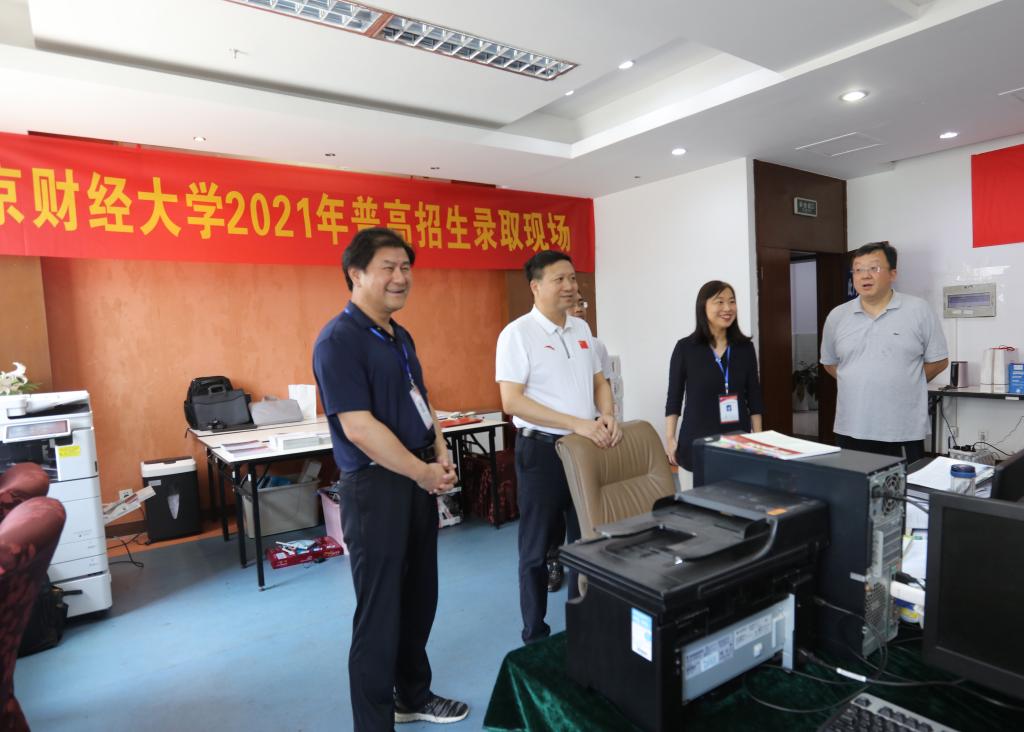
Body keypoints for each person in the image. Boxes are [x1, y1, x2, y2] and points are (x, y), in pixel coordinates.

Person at [312, 227, 468, 731]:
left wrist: (440, 450)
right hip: (376, 488)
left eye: (406, 268)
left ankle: (413, 696)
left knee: (420, 598)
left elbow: (422, 400)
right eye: (389, 268)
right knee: (379, 614)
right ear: (356, 274)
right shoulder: (338, 341)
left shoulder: (400, 335)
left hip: (416, 480)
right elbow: (359, 428)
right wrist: (423, 472)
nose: (401, 277)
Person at [495, 251, 622, 644]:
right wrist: (576, 423)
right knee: (536, 550)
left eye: (572, 278)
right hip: (542, 453)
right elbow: (512, 401)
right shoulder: (517, 334)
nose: (570, 286)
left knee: (586, 544)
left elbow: (600, 382)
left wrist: (607, 414)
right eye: (559, 279)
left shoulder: (582, 329)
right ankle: (535, 634)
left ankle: (581, 626)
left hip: (584, 450)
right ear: (536, 287)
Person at [820, 241, 948, 463]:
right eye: (858, 270)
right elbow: (829, 363)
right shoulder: (837, 316)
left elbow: (938, 361)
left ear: (893, 274)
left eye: (874, 268)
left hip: (901, 429)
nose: (865, 275)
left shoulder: (918, 310)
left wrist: (906, 382)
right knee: (853, 483)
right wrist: (858, 381)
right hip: (851, 426)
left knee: (903, 484)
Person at [665, 281, 764, 488]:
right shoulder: (686, 348)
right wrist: (670, 438)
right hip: (695, 444)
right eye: (719, 302)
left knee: (736, 502)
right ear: (703, 306)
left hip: (737, 443)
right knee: (696, 505)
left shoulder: (745, 348)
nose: (727, 308)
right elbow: (674, 397)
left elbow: (754, 397)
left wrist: (758, 438)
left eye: (732, 301)